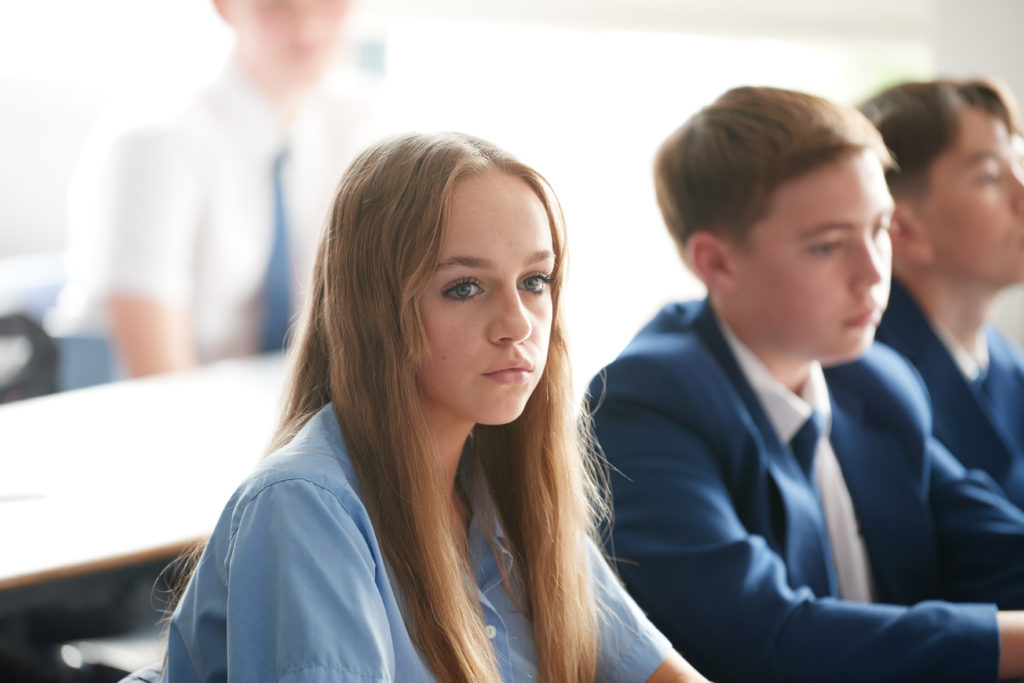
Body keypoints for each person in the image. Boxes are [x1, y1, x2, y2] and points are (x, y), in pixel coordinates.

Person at [156, 132, 706, 682]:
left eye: (535, 281)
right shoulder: (306, 506)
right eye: (465, 287)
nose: (518, 324)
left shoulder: (508, 490)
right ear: (376, 312)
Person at [588, 86, 1024, 682]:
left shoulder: (877, 382)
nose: (873, 273)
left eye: (880, 229)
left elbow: (997, 550)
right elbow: (766, 638)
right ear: (716, 262)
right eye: (827, 245)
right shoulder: (643, 403)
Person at [51, 0, 376, 379]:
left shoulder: (357, 118)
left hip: (272, 395)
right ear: (224, 7)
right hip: (139, 396)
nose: (309, 28)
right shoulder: (156, 138)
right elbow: (160, 378)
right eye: (276, 6)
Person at [860, 79, 1024, 509]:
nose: (1023, 194)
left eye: (1022, 165)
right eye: (989, 176)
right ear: (901, 228)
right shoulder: (864, 383)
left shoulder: (1007, 363)